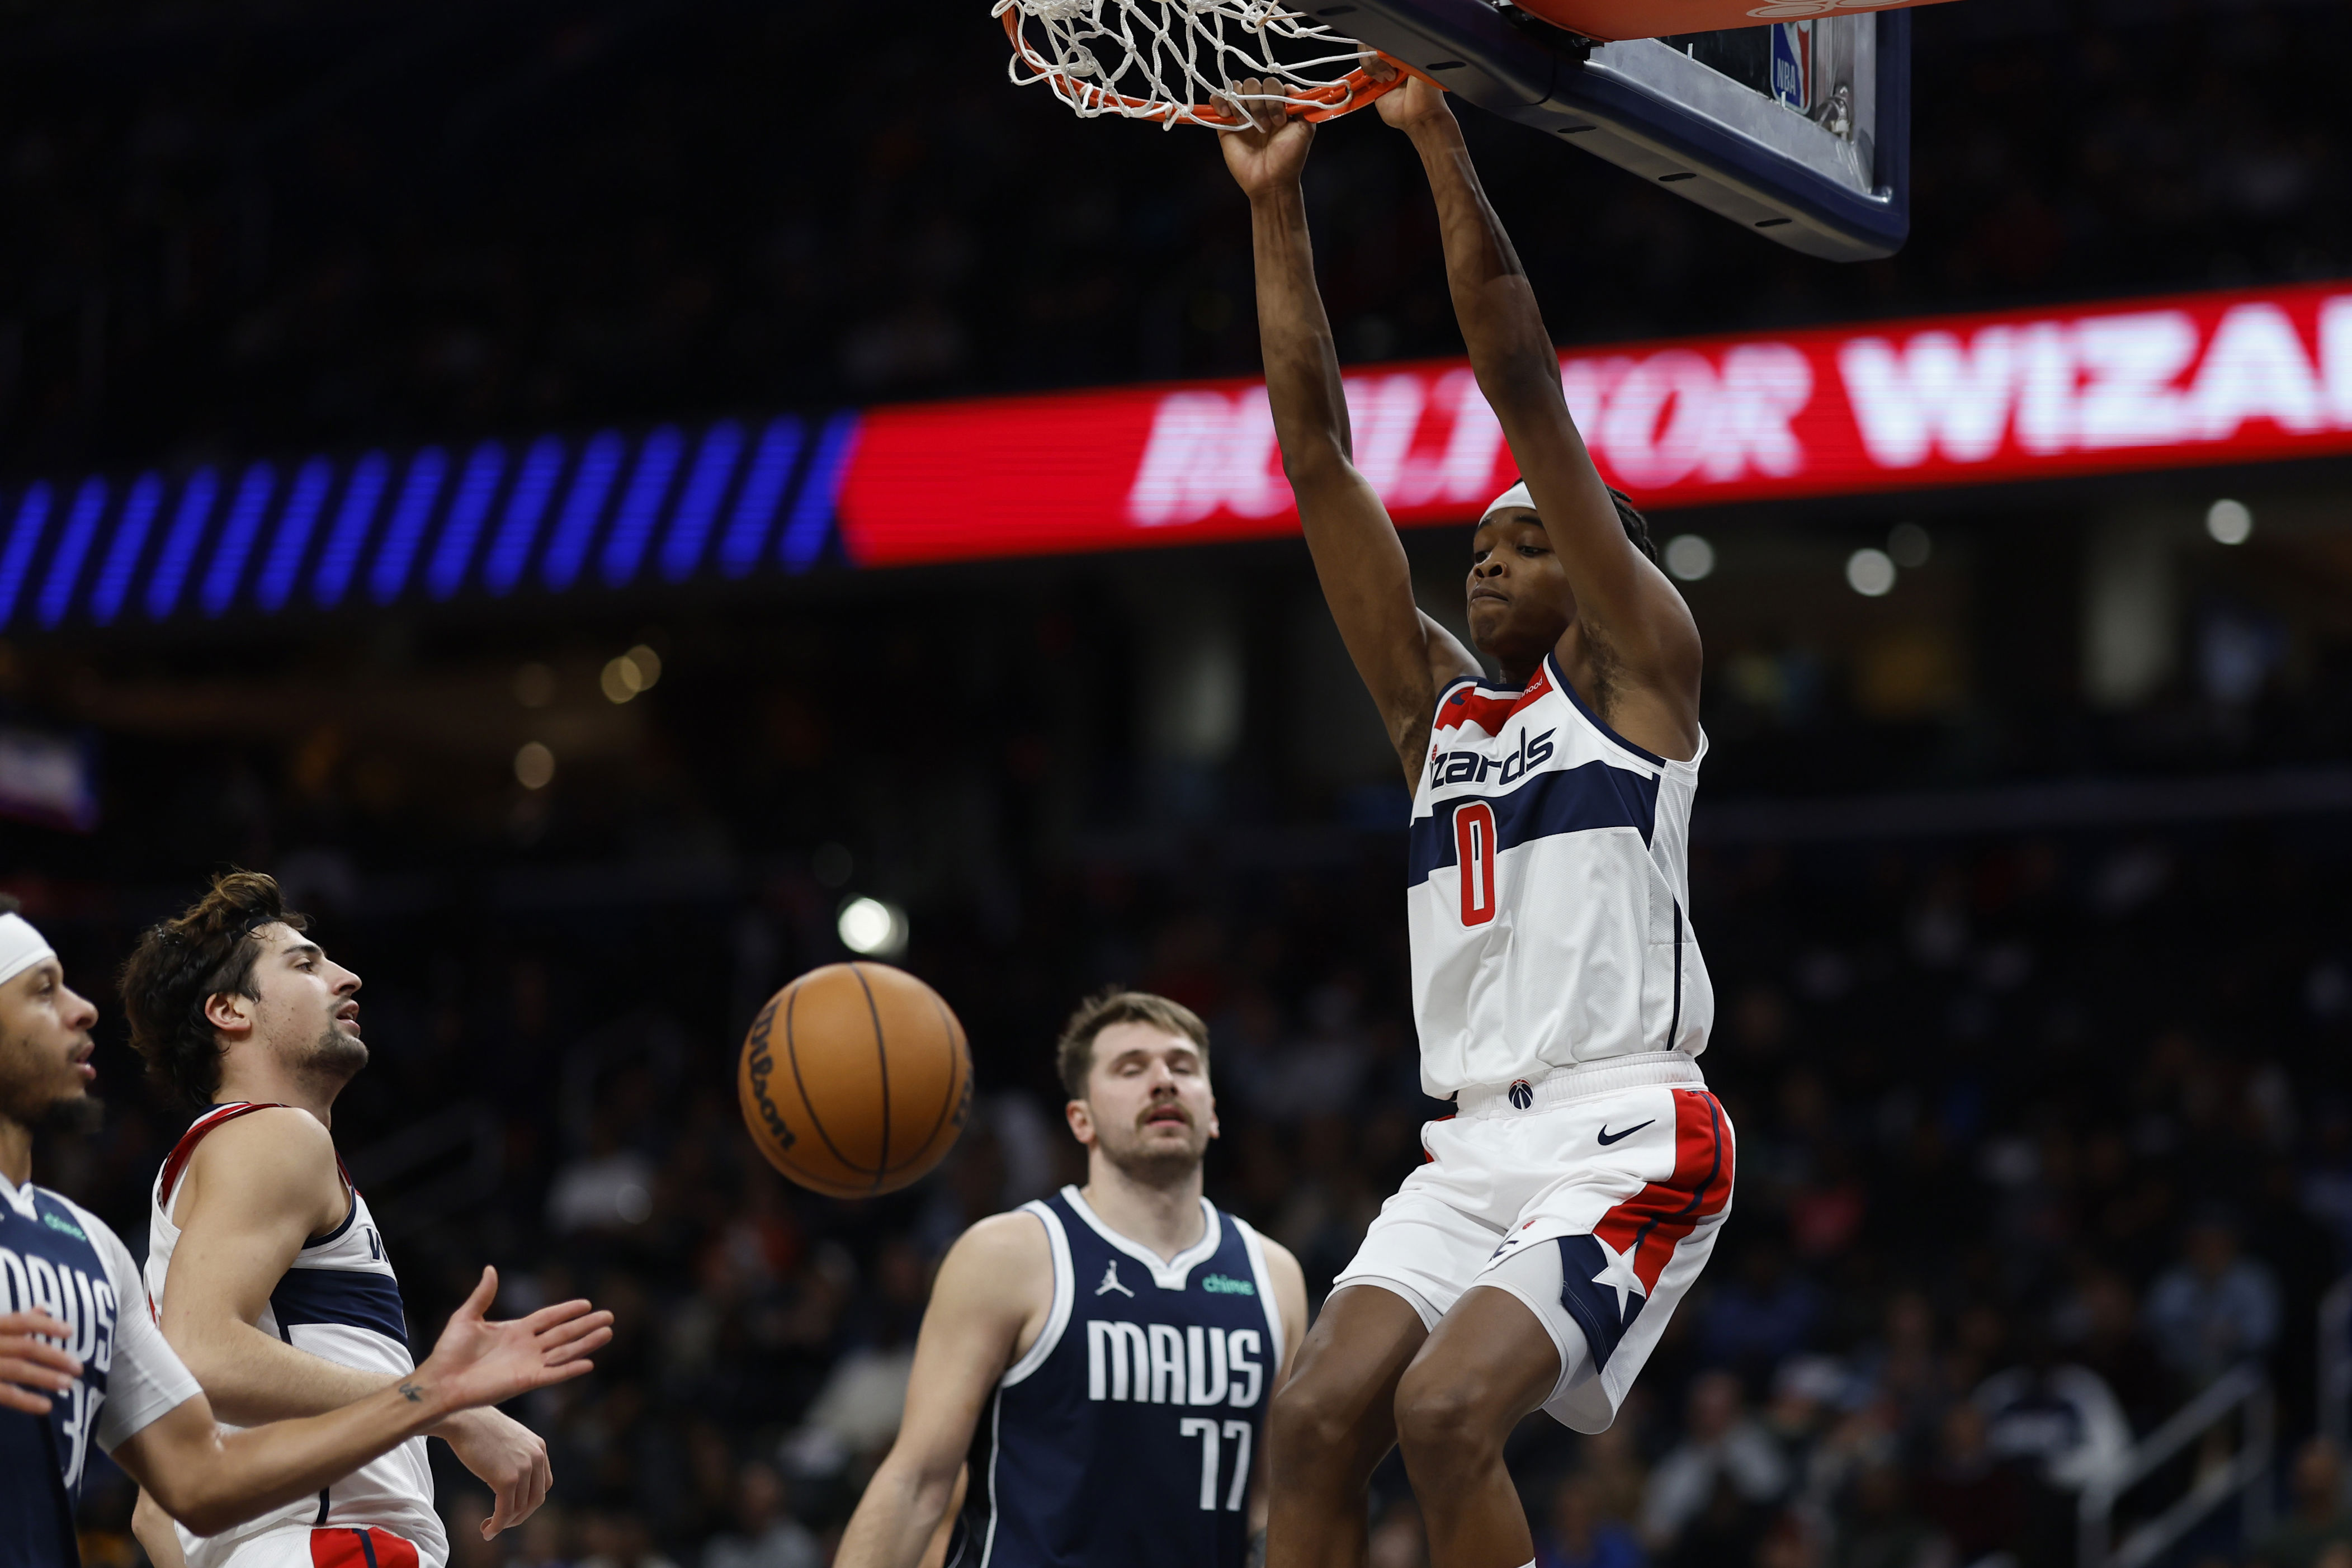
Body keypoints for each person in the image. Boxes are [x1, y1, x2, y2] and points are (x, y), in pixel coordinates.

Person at [1216, 67, 1729, 1568]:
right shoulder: (1433, 718)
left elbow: (1518, 378)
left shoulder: (1644, 671)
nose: (1485, 562)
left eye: (1523, 541)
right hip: (1470, 1141)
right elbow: (1315, 457)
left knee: (1445, 1413)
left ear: (1597, 566)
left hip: (1631, 1125)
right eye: (1476, 545)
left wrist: (1437, 141)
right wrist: (1275, 208)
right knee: (1310, 1423)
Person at [0, 899, 612, 1566]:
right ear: (230, 1010)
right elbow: (203, 1349)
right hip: (336, 1546)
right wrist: (444, 1404)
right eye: (306, 963)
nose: (346, 977)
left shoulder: (207, 1178)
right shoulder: (276, 1133)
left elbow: (156, 1512)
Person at [835, 990, 1309, 1568]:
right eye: (1131, 1067)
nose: (1163, 1081)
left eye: (1182, 1066)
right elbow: (917, 1480)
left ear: (1212, 1111)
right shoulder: (1008, 1253)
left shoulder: (1274, 1274)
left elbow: (1266, 1501)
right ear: (1080, 1118)